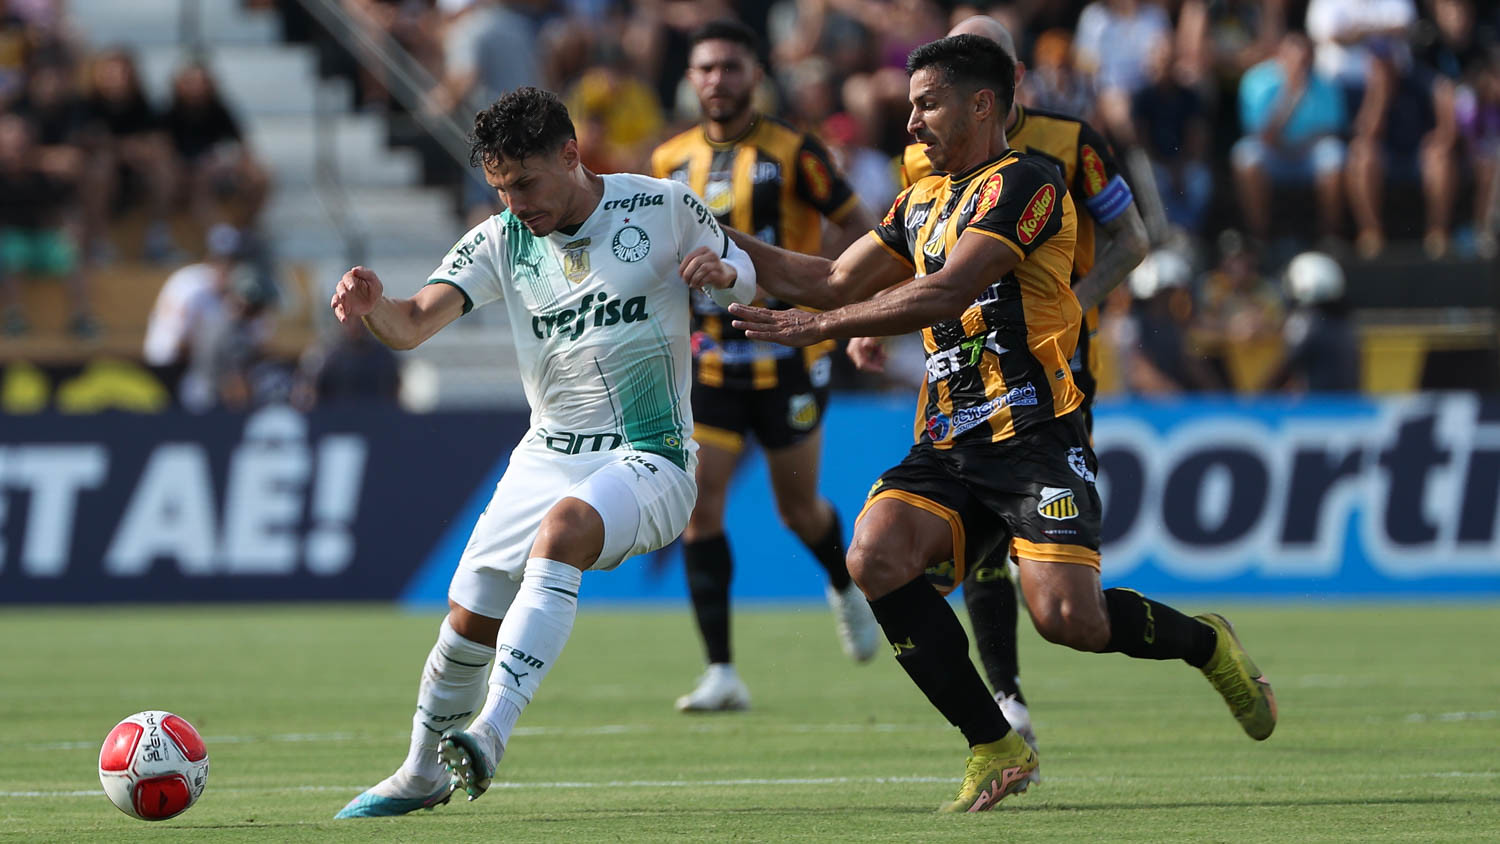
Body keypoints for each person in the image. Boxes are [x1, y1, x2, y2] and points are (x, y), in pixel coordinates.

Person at [725, 34, 1276, 813]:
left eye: (926, 104)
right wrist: (709, 235)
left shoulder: (1030, 182)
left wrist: (824, 325)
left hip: (1036, 437)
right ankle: (994, 743)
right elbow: (824, 276)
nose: (910, 122)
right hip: (948, 440)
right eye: (911, 106)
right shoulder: (918, 200)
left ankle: (1206, 643)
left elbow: (949, 290)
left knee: (1066, 619)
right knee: (873, 554)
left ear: (982, 103)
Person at [330, 86, 758, 817]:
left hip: (650, 452)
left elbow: (742, 273)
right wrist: (374, 307)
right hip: (546, 454)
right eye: (499, 187)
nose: (514, 201)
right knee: (467, 620)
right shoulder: (502, 239)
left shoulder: (660, 206)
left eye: (525, 183)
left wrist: (722, 278)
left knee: (563, 530)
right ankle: (419, 770)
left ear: (571, 154)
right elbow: (410, 325)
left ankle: (491, 734)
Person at [860, 14, 1150, 779]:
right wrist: (867, 319)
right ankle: (1005, 707)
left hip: (1047, 376)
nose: (917, 118)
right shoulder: (927, 157)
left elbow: (1133, 240)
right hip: (956, 377)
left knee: (1060, 606)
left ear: (1003, 82)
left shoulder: (1068, 144)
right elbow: (915, 258)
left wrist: (1072, 301)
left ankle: (1020, 698)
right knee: (927, 547)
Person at [649, 19, 881, 713]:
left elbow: (858, 226)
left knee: (797, 510)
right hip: (714, 363)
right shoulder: (666, 162)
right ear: (691, 79)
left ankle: (843, 586)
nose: (717, 79)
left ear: (755, 73)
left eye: (729, 66)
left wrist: (839, 302)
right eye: (706, 68)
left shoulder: (796, 152)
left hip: (789, 358)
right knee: (701, 510)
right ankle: (721, 670)